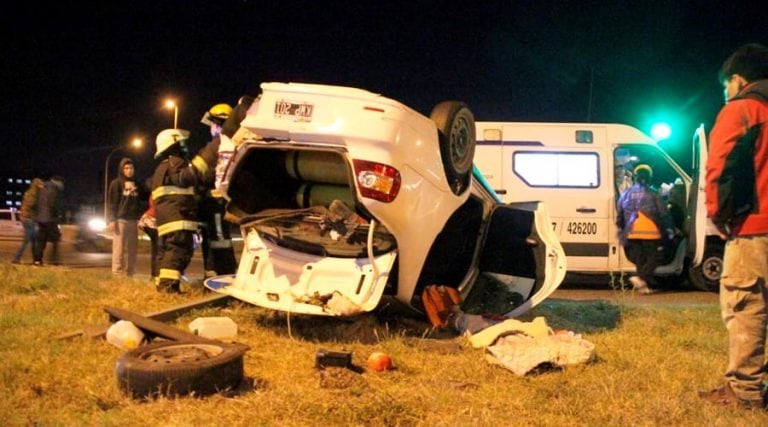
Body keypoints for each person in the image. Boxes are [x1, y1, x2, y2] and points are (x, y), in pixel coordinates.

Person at [699, 43, 768, 410]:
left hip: (755, 228)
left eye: (726, 84)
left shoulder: (742, 108)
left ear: (738, 79)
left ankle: (744, 391)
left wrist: (720, 216)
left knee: (746, 306)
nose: (725, 92)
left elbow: (720, 168)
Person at [151, 128, 217, 293]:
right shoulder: (176, 162)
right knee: (179, 251)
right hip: (178, 217)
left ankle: (162, 284)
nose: (185, 146)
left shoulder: (162, 167)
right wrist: (204, 159)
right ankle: (168, 288)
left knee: (166, 251)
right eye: (181, 143)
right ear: (172, 145)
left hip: (167, 219)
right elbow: (185, 179)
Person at [615, 164, 675, 294]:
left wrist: (621, 229)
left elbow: (619, 214)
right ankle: (641, 278)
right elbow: (663, 213)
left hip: (631, 233)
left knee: (640, 259)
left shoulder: (626, 194)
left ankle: (643, 286)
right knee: (656, 256)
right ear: (649, 178)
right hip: (650, 233)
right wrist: (670, 229)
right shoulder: (653, 193)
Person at [197, 103, 238, 278]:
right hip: (210, 205)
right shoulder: (219, 144)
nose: (211, 128)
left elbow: (212, 174)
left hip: (218, 205)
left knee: (219, 239)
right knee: (211, 239)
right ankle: (212, 273)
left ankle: (224, 273)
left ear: (220, 124)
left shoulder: (224, 146)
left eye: (213, 124)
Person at [107, 158, 146, 277]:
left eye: (131, 168)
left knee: (133, 249)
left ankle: (131, 273)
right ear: (122, 169)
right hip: (121, 220)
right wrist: (112, 219)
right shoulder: (116, 183)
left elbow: (142, 201)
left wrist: (141, 217)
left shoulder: (138, 184)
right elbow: (112, 202)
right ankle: (117, 273)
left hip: (134, 221)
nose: (129, 170)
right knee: (119, 248)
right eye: (126, 168)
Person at [33, 175, 65, 266]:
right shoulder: (53, 189)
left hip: (40, 218)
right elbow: (52, 204)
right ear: (57, 181)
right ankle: (54, 260)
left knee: (41, 240)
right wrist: (57, 214)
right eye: (61, 183)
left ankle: (37, 260)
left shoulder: (42, 189)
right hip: (50, 218)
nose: (62, 185)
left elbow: (37, 203)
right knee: (56, 238)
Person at [12, 178, 43, 264]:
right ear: (37, 185)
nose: (42, 187)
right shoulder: (33, 193)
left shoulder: (32, 193)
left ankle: (35, 260)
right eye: (40, 185)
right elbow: (31, 204)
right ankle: (16, 258)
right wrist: (39, 205)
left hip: (28, 218)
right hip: (28, 218)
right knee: (27, 239)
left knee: (33, 240)